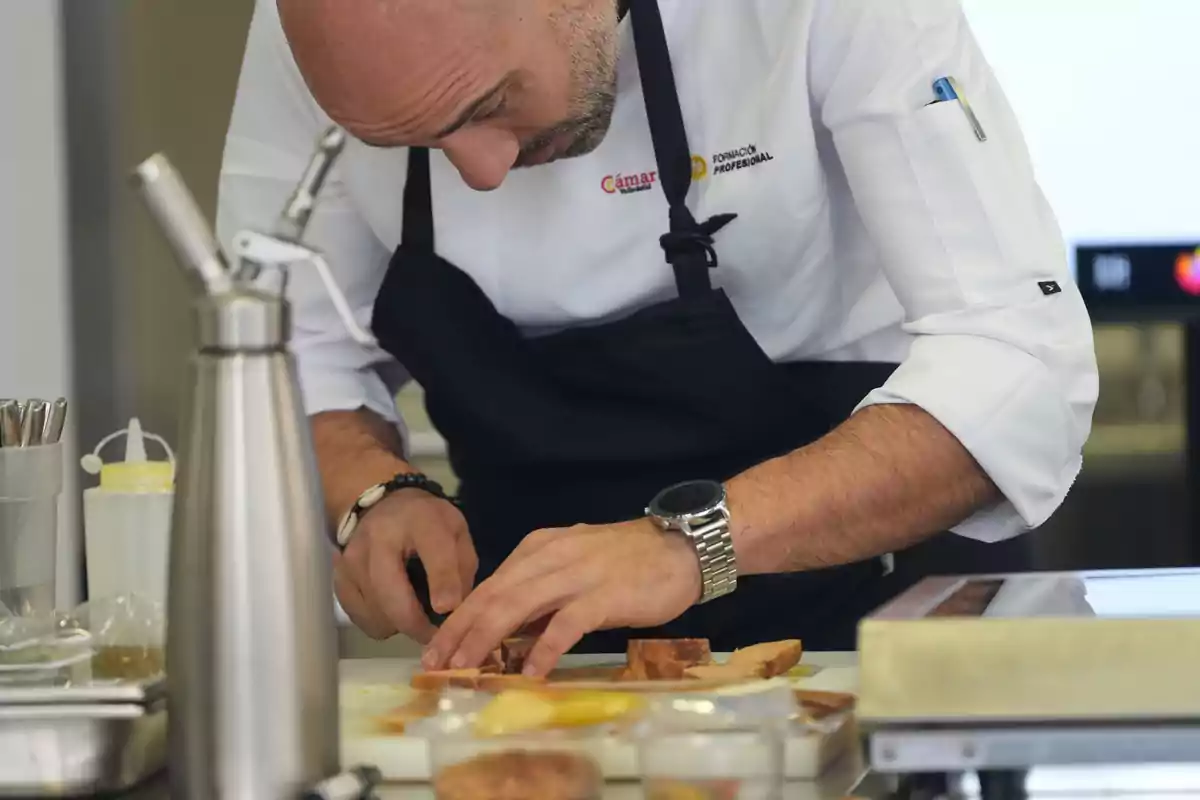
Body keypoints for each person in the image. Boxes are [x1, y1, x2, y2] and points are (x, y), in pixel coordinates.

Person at [216, 0, 1098, 676]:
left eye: (488, 104)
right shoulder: (319, 25)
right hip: (549, 670)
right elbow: (288, 350)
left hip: (873, 628)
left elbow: (1017, 361)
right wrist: (376, 495)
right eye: (412, 141)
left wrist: (693, 541)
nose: (479, 175)